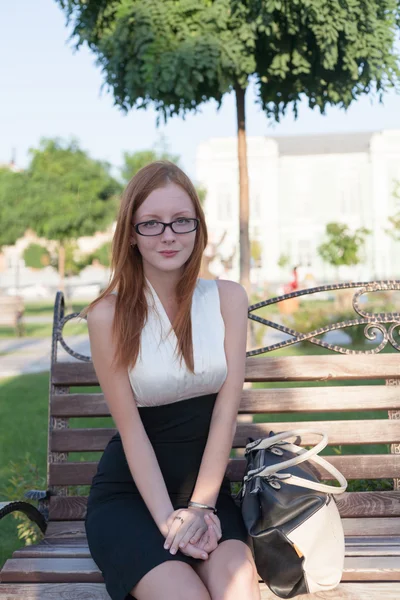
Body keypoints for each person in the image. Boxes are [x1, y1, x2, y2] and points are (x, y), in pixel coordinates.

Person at [81, 161, 261, 600]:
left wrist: (200, 507)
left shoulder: (227, 299)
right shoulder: (107, 314)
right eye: (151, 223)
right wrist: (170, 521)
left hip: (207, 495)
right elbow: (131, 430)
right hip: (132, 499)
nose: (168, 235)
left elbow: (225, 412)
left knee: (239, 593)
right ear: (130, 233)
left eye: (182, 221)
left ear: (198, 227)